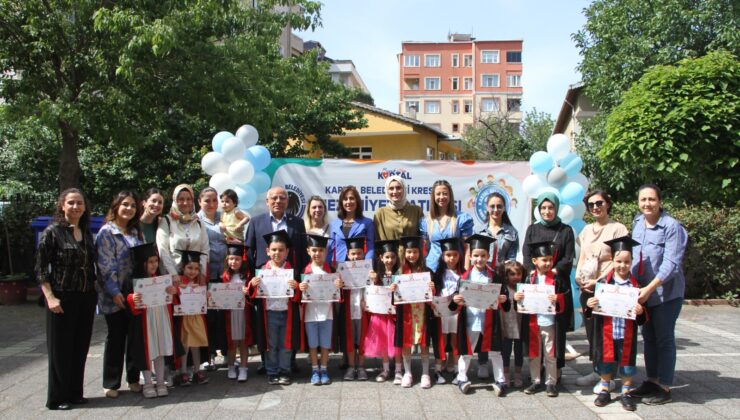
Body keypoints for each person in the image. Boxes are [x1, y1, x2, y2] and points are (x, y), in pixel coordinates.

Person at [36, 188, 97, 410]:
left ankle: (74, 392)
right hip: (62, 297)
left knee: (80, 347)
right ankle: (57, 397)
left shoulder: (86, 232)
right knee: (60, 349)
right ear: (62, 206)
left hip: (86, 296)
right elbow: (41, 268)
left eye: (79, 203)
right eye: (71, 203)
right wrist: (50, 297)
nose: (75, 207)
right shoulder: (53, 232)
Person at [629, 184, 688, 405]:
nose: (647, 204)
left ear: (659, 201)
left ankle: (664, 385)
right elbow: (634, 256)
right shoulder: (637, 223)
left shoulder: (672, 227)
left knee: (664, 339)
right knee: (649, 338)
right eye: (643, 199)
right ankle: (651, 380)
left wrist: (649, 288)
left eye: (651, 199)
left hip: (665, 294)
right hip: (643, 294)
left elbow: (671, 264)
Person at [244, 187, 307, 374]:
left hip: (289, 281)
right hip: (265, 283)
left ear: (288, 201)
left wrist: (300, 277)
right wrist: (253, 278)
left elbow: (303, 252)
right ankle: (267, 363)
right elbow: (249, 251)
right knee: (266, 325)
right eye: (274, 198)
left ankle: (289, 362)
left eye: (282, 198)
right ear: (267, 201)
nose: (278, 201)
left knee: (289, 324)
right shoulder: (256, 222)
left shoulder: (297, 222)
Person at [586, 236, 647, 412]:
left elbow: (643, 312)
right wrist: (590, 305)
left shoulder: (636, 286)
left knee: (627, 364)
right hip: (608, 331)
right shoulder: (604, 284)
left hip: (626, 332)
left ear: (632, 262)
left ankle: (626, 392)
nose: (622, 265)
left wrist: (640, 311)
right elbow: (594, 309)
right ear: (612, 261)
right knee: (606, 361)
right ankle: (605, 389)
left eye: (627, 262)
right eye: (618, 261)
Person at [575, 190, 628, 390]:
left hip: (608, 288)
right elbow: (583, 257)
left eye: (599, 203)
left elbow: (619, 260)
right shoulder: (587, 230)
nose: (596, 207)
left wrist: (598, 281)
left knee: (607, 332)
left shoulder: (617, 228)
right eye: (591, 205)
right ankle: (597, 369)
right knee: (592, 332)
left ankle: (610, 376)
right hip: (587, 288)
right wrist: (580, 279)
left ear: (607, 204)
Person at [96, 191, 143, 398]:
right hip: (113, 294)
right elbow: (105, 266)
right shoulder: (106, 232)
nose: (129, 209)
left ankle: (133, 378)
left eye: (133, 206)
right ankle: (111, 383)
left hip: (135, 293)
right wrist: (115, 292)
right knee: (116, 337)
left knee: (134, 337)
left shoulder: (135, 232)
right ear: (116, 206)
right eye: (125, 204)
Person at [522, 192, 575, 374]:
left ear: (556, 208)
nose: (547, 211)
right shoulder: (532, 229)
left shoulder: (566, 230)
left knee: (556, 330)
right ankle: (537, 369)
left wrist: (551, 271)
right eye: (543, 208)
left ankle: (556, 370)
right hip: (536, 283)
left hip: (557, 284)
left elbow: (568, 258)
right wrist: (535, 272)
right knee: (536, 327)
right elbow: (527, 254)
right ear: (539, 210)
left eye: (551, 207)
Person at [451, 234, 509, 396]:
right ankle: (462, 377)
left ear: (488, 256)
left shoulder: (494, 276)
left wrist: (504, 299)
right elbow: (455, 298)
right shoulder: (464, 277)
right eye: (476, 255)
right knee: (467, 351)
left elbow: (504, 297)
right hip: (470, 319)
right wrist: (456, 299)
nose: (479, 259)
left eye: (483, 256)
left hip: (489, 320)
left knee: (496, 351)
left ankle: (501, 380)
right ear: (470, 257)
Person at [247, 230, 302, 385]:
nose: (277, 253)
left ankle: (285, 371)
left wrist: (297, 286)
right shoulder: (261, 271)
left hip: (287, 313)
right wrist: (253, 285)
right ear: (267, 251)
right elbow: (253, 294)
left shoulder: (293, 271)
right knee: (271, 344)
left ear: (287, 252)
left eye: (281, 250)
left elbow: (300, 295)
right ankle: (272, 371)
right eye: (274, 250)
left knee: (286, 344)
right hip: (269, 313)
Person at [516, 241, 567, 398]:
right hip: (532, 322)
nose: (548, 263)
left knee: (550, 354)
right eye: (544, 260)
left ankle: (550, 382)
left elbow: (565, 299)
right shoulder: (528, 279)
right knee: (534, 354)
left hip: (550, 323)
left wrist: (558, 298)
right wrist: (517, 297)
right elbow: (521, 300)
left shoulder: (557, 279)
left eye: (550, 260)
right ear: (534, 261)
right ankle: (535, 380)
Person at [476, 191, 519, 379]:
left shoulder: (511, 232)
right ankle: (482, 361)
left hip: (502, 282)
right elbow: (476, 258)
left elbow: (512, 260)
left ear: (504, 208)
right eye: (492, 206)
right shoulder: (480, 232)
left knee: (500, 325)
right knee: (483, 322)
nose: (495, 209)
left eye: (499, 206)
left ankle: (502, 364)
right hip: (484, 281)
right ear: (486, 208)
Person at [127, 242, 176, 398]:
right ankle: (148, 383)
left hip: (160, 317)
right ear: (142, 264)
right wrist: (132, 298)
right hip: (144, 320)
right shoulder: (134, 281)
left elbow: (172, 298)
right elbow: (128, 299)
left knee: (160, 350)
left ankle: (160, 382)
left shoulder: (162, 279)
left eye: (156, 261)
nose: (154, 265)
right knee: (147, 351)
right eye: (150, 262)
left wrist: (172, 291)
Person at [390, 236, 436, 389]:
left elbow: (433, 295)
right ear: (405, 253)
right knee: (405, 342)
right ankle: (408, 372)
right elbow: (394, 298)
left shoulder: (427, 271)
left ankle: (425, 373)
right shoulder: (400, 271)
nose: (412, 255)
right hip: (406, 313)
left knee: (423, 342)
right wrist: (393, 290)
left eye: (415, 252)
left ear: (420, 253)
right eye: (409, 252)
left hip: (423, 312)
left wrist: (432, 287)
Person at [299, 234, 344, 385]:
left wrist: (339, 287)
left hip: (327, 314)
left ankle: (324, 370)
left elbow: (338, 294)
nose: (317, 253)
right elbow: (298, 295)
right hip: (310, 314)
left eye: (321, 250)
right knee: (312, 344)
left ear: (326, 252)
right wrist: (301, 288)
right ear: (308, 251)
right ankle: (314, 370)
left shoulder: (331, 271)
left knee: (325, 344)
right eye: (314, 250)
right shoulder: (305, 271)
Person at [197, 186, 228, 371]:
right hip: (204, 275)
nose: (211, 204)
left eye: (214, 200)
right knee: (207, 317)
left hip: (223, 275)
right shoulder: (195, 220)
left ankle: (225, 352)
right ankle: (207, 356)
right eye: (207, 200)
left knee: (223, 316)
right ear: (199, 201)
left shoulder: (225, 218)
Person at [365, 240, 402, 384]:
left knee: (396, 343)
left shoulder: (399, 274)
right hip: (380, 315)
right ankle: (385, 369)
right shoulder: (377, 274)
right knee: (383, 342)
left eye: (393, 257)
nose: (390, 260)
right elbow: (372, 293)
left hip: (394, 314)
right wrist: (374, 281)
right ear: (381, 258)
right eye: (387, 257)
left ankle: (398, 370)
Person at [157, 184, 209, 281]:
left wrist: (202, 274)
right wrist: (173, 275)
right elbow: (163, 250)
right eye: (181, 199)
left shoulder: (198, 222)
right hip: (172, 277)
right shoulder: (167, 221)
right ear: (175, 201)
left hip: (194, 277)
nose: (185, 203)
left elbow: (205, 250)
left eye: (189, 199)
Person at [173, 250, 209, 386]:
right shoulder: (179, 281)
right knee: (185, 345)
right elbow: (174, 297)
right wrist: (182, 289)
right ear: (183, 268)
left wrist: (206, 295)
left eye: (195, 268)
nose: (193, 271)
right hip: (184, 318)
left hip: (197, 317)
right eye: (189, 268)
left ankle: (197, 371)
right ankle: (183, 372)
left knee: (196, 344)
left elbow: (203, 300)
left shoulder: (200, 281)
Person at [431, 237, 464, 384]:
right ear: (443, 256)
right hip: (442, 311)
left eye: (455, 255)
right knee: (442, 339)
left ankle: (456, 367)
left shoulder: (464, 274)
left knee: (455, 339)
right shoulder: (437, 274)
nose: (451, 258)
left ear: (459, 256)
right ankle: (438, 367)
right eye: (448, 255)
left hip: (457, 312)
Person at [420, 180, 473, 272]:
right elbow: (423, 248)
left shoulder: (462, 219)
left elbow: (467, 247)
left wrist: (466, 271)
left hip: (454, 268)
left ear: (450, 196)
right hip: (432, 268)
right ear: (433, 197)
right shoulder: (426, 221)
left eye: (445, 194)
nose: (441, 197)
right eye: (438, 194)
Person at [337, 236, 370, 381]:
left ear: (363, 254)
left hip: (363, 310)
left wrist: (373, 279)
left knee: (362, 339)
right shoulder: (342, 270)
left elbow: (372, 289)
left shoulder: (368, 269)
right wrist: (338, 285)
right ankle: (351, 367)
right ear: (348, 255)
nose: (356, 256)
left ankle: (361, 367)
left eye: (359, 253)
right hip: (348, 309)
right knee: (350, 340)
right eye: (353, 254)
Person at [220, 244, 253, 383]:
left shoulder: (247, 276)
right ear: (227, 260)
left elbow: (253, 295)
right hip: (230, 314)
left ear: (242, 260)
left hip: (243, 313)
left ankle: (244, 367)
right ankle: (231, 366)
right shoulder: (224, 277)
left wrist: (248, 292)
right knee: (232, 342)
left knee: (243, 342)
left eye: (237, 259)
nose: (234, 262)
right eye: (231, 259)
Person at [327, 186, 375, 264]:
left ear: (357, 201)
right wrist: (329, 266)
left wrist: (366, 265)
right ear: (341, 202)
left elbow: (370, 248)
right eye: (345, 199)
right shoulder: (334, 224)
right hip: (338, 267)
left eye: (351, 198)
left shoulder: (367, 223)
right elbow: (330, 249)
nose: (348, 202)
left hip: (359, 267)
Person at [374, 176, 423, 247]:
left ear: (404, 189)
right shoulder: (380, 213)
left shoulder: (417, 211)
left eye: (398, 188)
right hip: (390, 257)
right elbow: (377, 240)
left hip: (411, 256)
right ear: (387, 191)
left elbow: (422, 239)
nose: (395, 191)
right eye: (391, 188)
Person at [499, 260, 525, 388]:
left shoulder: (524, 287)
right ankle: (506, 373)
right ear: (506, 275)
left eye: (518, 274)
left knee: (519, 350)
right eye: (512, 274)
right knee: (506, 350)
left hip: (520, 323)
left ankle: (518, 374)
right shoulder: (504, 288)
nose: (516, 277)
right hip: (507, 323)